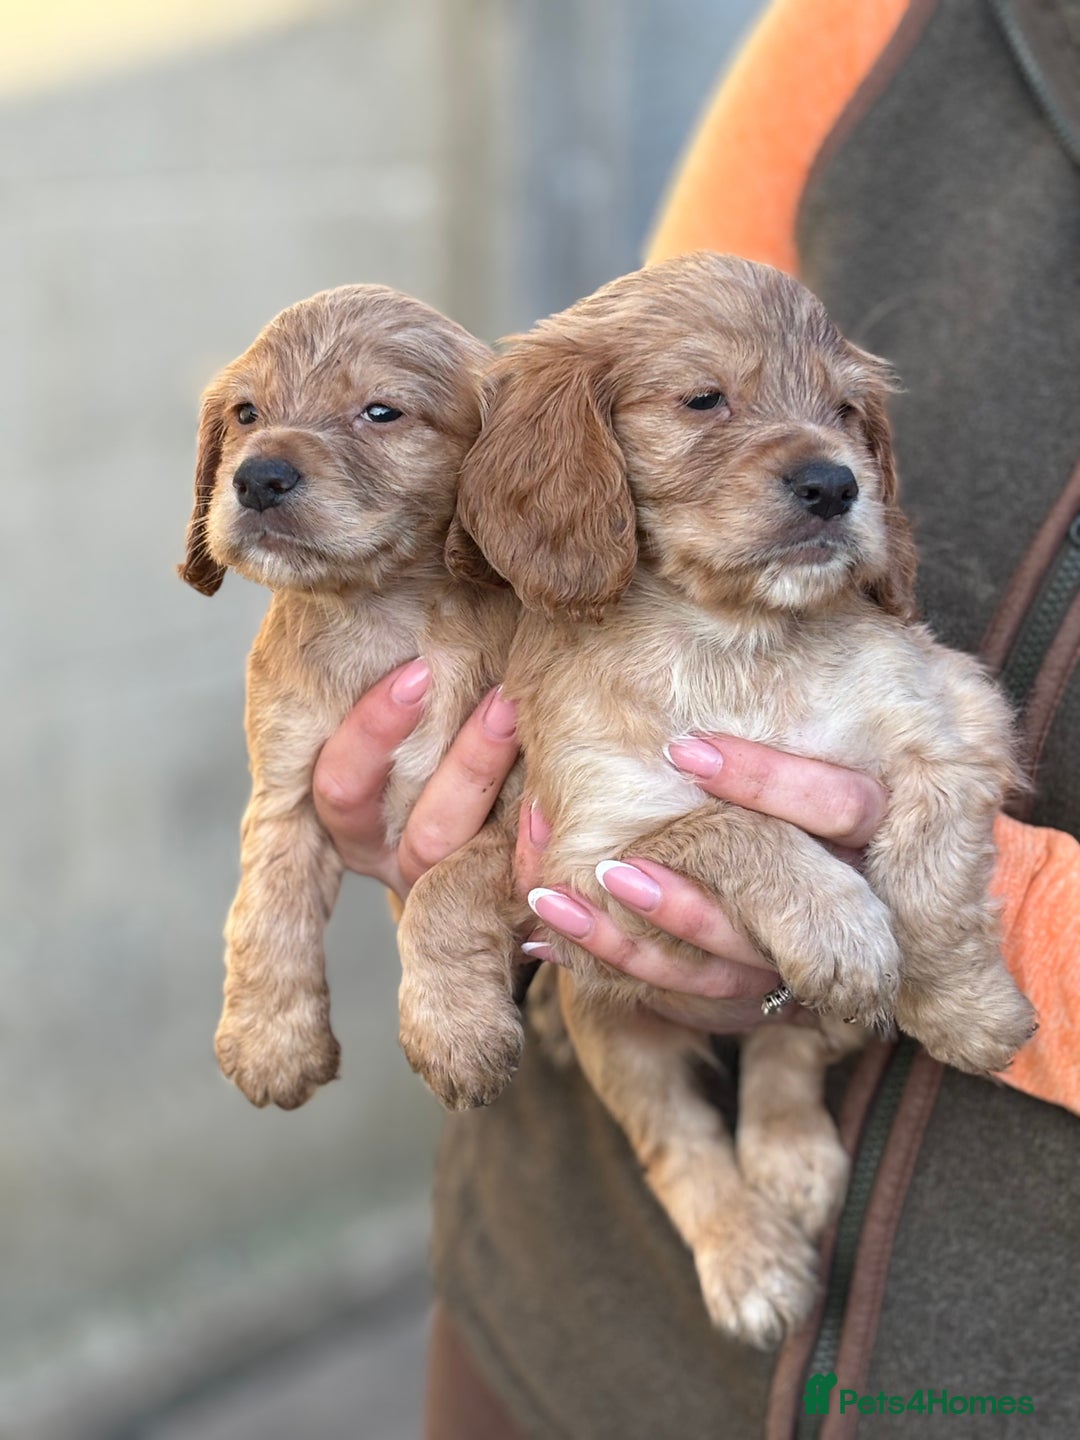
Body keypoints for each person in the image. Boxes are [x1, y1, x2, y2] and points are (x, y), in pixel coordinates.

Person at [315, 0, 1080, 1433]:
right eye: (710, 405)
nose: (826, 462)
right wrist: (450, 811)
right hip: (563, 1317)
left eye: (847, 421)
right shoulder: (891, 25)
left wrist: (950, 913)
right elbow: (598, 403)